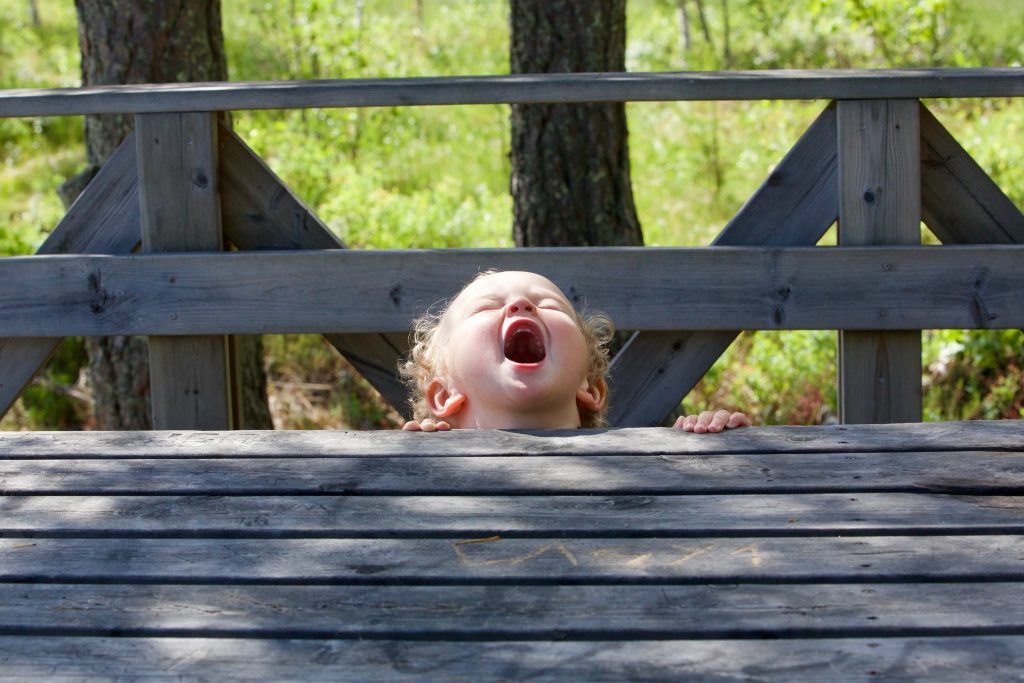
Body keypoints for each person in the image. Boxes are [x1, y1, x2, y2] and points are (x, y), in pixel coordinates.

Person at [399, 270, 749, 433]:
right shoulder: (428, 459)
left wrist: (708, 443)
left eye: (548, 304)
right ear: (444, 394)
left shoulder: (653, 458)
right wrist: (417, 462)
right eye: (486, 308)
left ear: (591, 387)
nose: (521, 305)